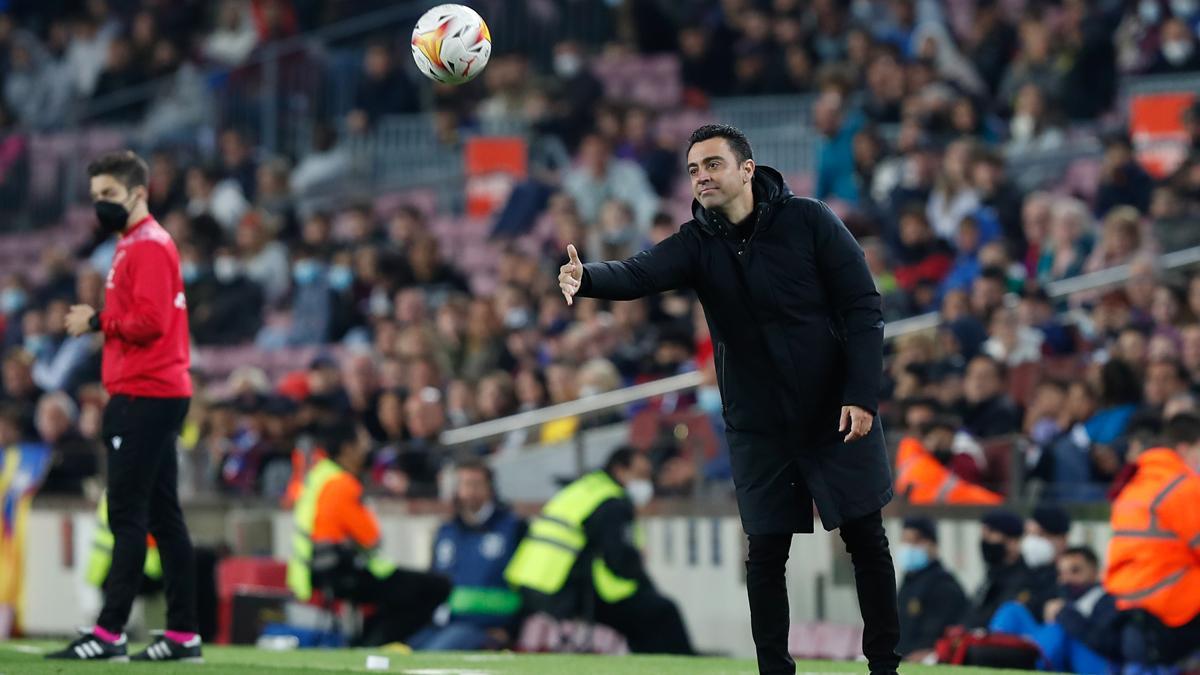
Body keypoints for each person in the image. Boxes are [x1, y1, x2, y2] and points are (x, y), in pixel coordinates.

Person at [557, 124, 899, 674]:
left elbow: (863, 307)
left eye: (712, 165)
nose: (701, 178)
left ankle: (885, 666)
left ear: (746, 168)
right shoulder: (697, 242)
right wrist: (588, 276)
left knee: (866, 539)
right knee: (765, 552)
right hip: (758, 423)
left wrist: (861, 394)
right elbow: (640, 272)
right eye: (693, 170)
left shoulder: (810, 220)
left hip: (834, 410)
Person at [48, 151, 199, 663]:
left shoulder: (146, 246)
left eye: (109, 195)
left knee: (128, 514)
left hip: (146, 393)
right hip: (154, 390)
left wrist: (97, 322)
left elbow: (151, 321)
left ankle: (110, 633)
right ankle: (182, 634)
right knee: (162, 515)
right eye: (96, 198)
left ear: (140, 193)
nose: (101, 205)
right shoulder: (137, 244)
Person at [505, 447, 694, 655]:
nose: (646, 482)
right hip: (563, 592)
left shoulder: (586, 488)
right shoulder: (611, 501)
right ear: (620, 470)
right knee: (661, 611)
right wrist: (644, 582)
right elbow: (619, 561)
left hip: (531, 583)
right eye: (641, 475)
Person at [285, 421, 450, 647]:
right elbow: (371, 537)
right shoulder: (343, 483)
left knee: (404, 591)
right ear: (347, 448)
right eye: (362, 441)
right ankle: (369, 644)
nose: (368, 447)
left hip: (313, 571)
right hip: (341, 572)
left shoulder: (319, 476)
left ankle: (366, 641)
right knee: (436, 588)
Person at [1105, 412, 1200, 666]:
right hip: (1170, 604)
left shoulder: (1135, 485)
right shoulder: (1185, 486)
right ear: (1184, 448)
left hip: (1129, 601)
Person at [409, 460, 526, 651]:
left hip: (487, 627)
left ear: (490, 488)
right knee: (401, 652)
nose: (470, 491)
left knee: (432, 656)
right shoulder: (446, 531)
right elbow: (433, 581)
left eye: (476, 484)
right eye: (465, 484)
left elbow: (529, 584)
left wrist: (512, 629)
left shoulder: (512, 528)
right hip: (446, 623)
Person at [989, 546, 1114, 673]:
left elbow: (1106, 642)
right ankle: (990, 653)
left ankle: (1029, 664)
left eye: (1075, 571)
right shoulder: (1057, 593)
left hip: (1089, 661)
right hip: (1050, 651)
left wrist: (1064, 615)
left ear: (1095, 572)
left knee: (1056, 629)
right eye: (1061, 573)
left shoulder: (1106, 600)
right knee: (1011, 610)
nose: (1066, 579)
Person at [895, 517, 968, 661]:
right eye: (905, 541)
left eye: (914, 542)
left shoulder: (943, 584)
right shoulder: (909, 581)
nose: (907, 547)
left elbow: (937, 633)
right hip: (902, 656)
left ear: (932, 545)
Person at [966, 510, 1035, 628]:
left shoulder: (1026, 580)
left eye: (990, 535)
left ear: (1012, 541)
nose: (985, 542)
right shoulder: (992, 575)